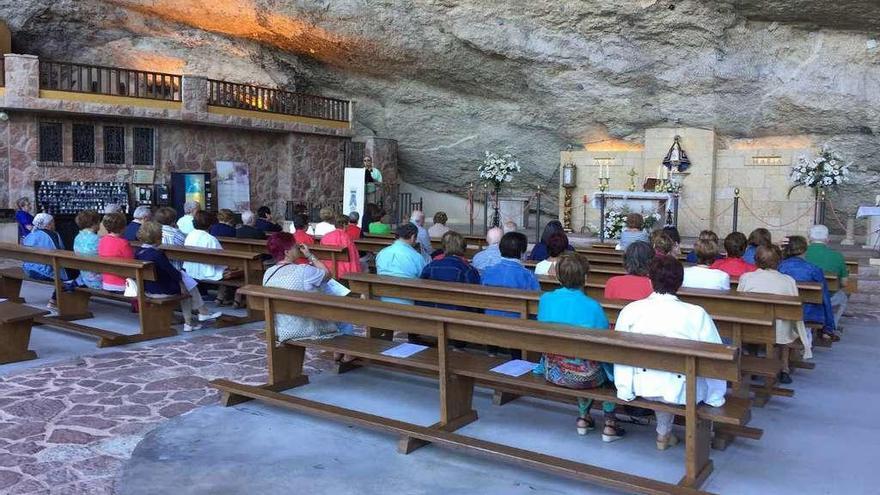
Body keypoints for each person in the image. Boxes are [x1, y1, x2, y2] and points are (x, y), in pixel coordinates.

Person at [614, 256, 727, 450]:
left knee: (664, 375)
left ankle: (663, 434)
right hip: (684, 389)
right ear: (681, 283)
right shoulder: (696, 313)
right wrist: (715, 396)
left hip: (642, 385)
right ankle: (670, 435)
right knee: (681, 374)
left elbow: (621, 354)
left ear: (649, 280)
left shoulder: (631, 310)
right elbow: (715, 358)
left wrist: (624, 389)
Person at [539, 253, 625, 442]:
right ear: (586, 278)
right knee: (611, 366)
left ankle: (583, 417)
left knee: (578, 356)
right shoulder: (592, 306)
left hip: (553, 370)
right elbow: (604, 344)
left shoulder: (546, 299)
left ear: (558, 277)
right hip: (586, 376)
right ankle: (609, 422)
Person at [738, 245, 811, 383]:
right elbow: (794, 309)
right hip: (779, 330)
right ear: (779, 261)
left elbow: (741, 302)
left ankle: (753, 362)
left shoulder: (746, 278)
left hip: (752, 327)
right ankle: (784, 368)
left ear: (756, 260)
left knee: (753, 318)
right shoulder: (788, 280)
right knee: (785, 324)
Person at [135, 221, 220, 332]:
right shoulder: (157, 254)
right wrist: (181, 280)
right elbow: (172, 273)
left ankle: (198, 316)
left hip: (147, 289)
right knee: (186, 285)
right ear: (157, 237)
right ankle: (196, 316)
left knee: (185, 282)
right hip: (161, 290)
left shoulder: (138, 252)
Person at [263, 233, 345, 343]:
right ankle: (343, 351)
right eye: (294, 246)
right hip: (305, 328)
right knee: (344, 315)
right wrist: (309, 255)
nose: (297, 247)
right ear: (287, 252)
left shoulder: (268, 272)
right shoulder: (303, 271)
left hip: (280, 327)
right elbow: (327, 274)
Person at [481, 232, 540, 357]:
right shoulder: (527, 275)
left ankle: (492, 352)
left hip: (490, 321)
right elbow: (536, 304)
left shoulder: (488, 271)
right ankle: (517, 356)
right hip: (517, 326)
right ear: (522, 252)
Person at [419, 231, 481, 348]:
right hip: (459, 315)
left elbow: (422, 289)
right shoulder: (468, 269)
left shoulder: (431, 265)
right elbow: (475, 297)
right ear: (462, 248)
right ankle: (459, 346)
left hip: (432, 312)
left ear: (444, 247)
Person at [779, 236, 838, 342]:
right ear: (805, 250)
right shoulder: (814, 270)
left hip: (782, 310)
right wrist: (828, 327)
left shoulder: (779, 267)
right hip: (808, 313)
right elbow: (825, 298)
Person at [184, 211, 240, 305]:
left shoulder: (190, 235)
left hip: (190, 269)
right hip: (206, 271)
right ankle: (235, 299)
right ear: (210, 225)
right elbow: (222, 259)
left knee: (229, 269)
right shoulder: (210, 239)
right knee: (236, 270)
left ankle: (221, 297)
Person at [805, 224, 849, 328]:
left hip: (802, 295)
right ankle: (830, 327)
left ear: (809, 238)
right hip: (827, 297)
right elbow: (844, 283)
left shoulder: (801, 253)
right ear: (827, 239)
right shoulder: (837, 256)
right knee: (843, 298)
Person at [22, 213, 69, 308]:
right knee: (70, 277)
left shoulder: (31, 235)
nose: (54, 224)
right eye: (52, 222)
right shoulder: (53, 235)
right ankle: (53, 300)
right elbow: (60, 253)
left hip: (28, 269)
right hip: (44, 271)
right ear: (47, 224)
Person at [375, 223, 428, 306]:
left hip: (383, 298)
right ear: (413, 237)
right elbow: (423, 278)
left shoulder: (382, 253)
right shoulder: (417, 257)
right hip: (408, 301)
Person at [98, 212, 135, 292]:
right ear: (123, 227)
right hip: (122, 284)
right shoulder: (123, 243)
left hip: (106, 282)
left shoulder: (102, 240)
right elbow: (132, 263)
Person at [73, 210, 103, 289]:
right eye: (99, 221)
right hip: (98, 280)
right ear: (94, 223)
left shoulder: (78, 237)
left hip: (84, 276)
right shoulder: (98, 239)